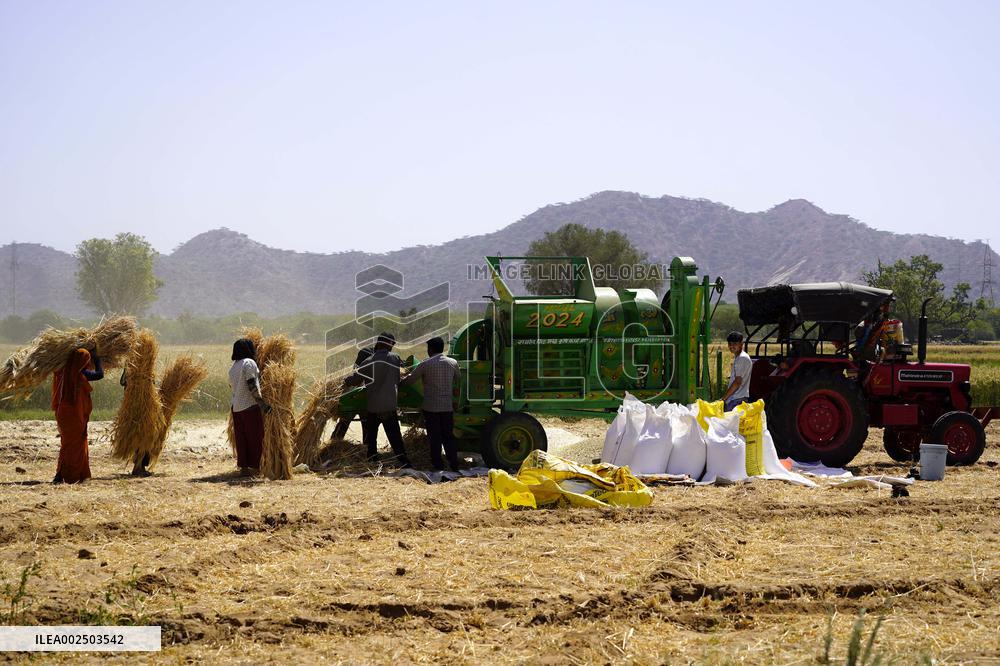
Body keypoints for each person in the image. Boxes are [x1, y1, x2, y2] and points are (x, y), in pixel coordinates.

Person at [401, 336, 460, 472]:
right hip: (447, 406)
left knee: (435, 437)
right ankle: (454, 464)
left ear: (431, 349)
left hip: (431, 407)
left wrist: (398, 383)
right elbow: (458, 381)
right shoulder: (453, 363)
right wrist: (455, 400)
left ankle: (438, 465)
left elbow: (410, 381)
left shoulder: (425, 364)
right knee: (448, 437)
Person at [355, 332, 411, 466]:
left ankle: (372, 460)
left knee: (371, 436)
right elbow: (404, 370)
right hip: (389, 406)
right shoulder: (395, 358)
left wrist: (346, 380)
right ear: (387, 344)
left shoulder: (367, 361)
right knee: (395, 437)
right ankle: (405, 462)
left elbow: (355, 380)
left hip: (373, 407)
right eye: (392, 343)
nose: (392, 346)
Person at [51, 348, 104, 484]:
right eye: (86, 360)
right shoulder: (80, 374)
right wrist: (97, 360)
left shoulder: (63, 373)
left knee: (66, 444)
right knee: (76, 444)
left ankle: (60, 474)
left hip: (63, 414)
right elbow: (99, 375)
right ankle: (72, 476)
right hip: (75, 415)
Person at [229, 338, 271, 476]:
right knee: (256, 438)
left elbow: (232, 387)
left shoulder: (233, 367)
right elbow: (252, 385)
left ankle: (244, 468)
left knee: (242, 439)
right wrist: (263, 404)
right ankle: (257, 468)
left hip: (236, 408)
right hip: (249, 407)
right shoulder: (249, 363)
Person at [331, 344, 375, 442]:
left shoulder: (364, 356)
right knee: (367, 425)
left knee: (345, 421)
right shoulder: (379, 361)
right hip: (369, 400)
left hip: (355, 397)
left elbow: (356, 378)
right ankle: (367, 447)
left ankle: (334, 442)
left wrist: (345, 381)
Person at [721, 331, 752, 412]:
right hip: (736, 398)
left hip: (736, 399)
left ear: (741, 344)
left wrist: (724, 398)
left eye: (735, 344)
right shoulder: (739, 358)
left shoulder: (742, 358)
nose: (731, 346)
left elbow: (737, 382)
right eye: (730, 344)